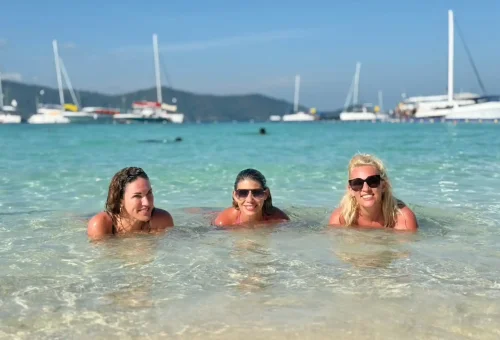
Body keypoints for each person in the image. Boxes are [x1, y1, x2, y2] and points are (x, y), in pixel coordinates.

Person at [329, 153, 418, 231]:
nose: (366, 189)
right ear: (351, 190)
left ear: (383, 186)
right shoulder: (340, 219)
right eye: (357, 183)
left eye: (372, 181)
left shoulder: (403, 219)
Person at [87, 167, 174, 239]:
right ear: (120, 199)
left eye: (149, 193)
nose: (147, 203)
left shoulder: (162, 220)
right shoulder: (100, 225)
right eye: (137, 196)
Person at [213, 168, 289, 227]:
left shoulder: (279, 220)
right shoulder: (224, 222)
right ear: (235, 196)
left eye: (257, 193)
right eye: (243, 193)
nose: (249, 200)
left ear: (266, 194)